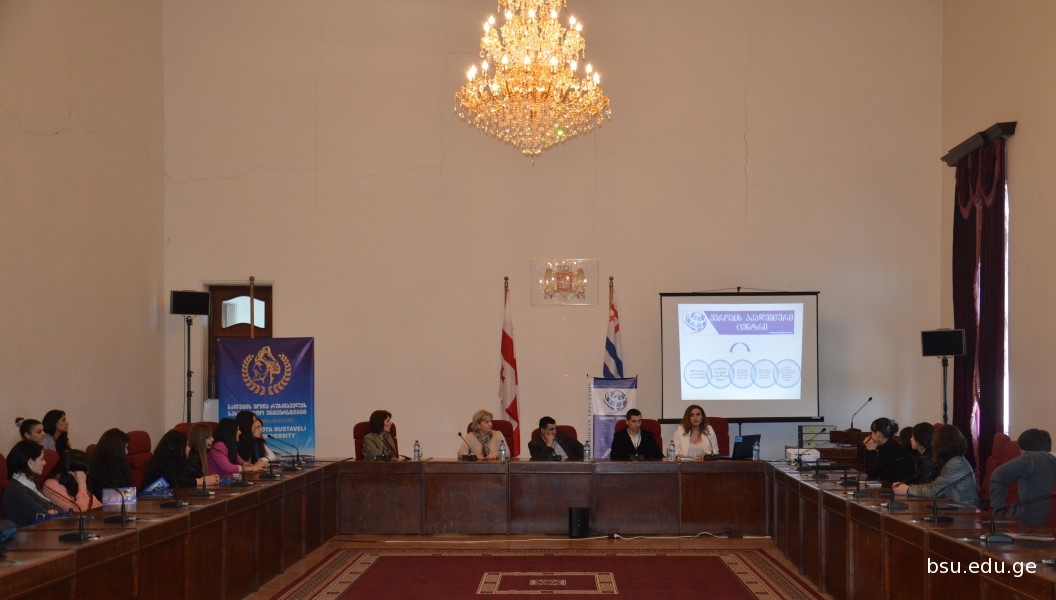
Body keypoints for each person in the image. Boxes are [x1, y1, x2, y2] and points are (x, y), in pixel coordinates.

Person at [893, 424, 979, 507]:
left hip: (963, 511)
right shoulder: (954, 460)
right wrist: (908, 488)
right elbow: (934, 486)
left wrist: (908, 489)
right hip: (953, 508)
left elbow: (934, 491)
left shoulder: (956, 463)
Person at [989, 428, 1056, 526]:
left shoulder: (1031, 458)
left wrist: (998, 511)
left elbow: (998, 475)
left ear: (1024, 450)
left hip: (1024, 525)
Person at [3, 440, 63, 526]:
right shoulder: (16, 491)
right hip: (32, 532)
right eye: (41, 459)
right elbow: (44, 517)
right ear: (30, 462)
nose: (45, 463)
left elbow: (58, 509)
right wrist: (51, 512)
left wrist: (54, 511)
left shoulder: (30, 482)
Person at [144, 429, 221, 489]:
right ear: (176, 447)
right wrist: (200, 481)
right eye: (186, 445)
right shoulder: (168, 462)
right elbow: (173, 483)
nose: (189, 449)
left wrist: (206, 480)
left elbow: (183, 480)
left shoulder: (176, 461)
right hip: (152, 499)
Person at [863, 417, 914, 482]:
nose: (871, 435)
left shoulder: (889, 447)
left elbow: (871, 472)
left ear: (878, 434)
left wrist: (871, 451)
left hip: (898, 486)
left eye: (872, 432)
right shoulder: (890, 444)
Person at [87, 428, 133, 499]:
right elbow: (106, 496)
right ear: (116, 449)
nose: (127, 452)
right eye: (125, 447)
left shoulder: (119, 465)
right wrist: (131, 495)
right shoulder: (98, 470)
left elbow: (126, 490)